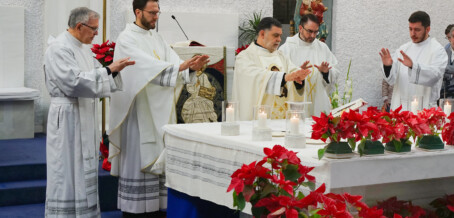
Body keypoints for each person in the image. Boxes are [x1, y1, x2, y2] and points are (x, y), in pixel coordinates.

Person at [107, 0, 209, 216]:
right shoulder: (126, 38)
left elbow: (174, 64)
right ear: (137, 12)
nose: (156, 17)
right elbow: (143, 66)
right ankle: (134, 212)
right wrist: (178, 67)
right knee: (138, 160)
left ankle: (157, 211)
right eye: (152, 13)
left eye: (158, 12)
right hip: (139, 111)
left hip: (160, 111)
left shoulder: (157, 38)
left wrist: (189, 68)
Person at [43, 7, 134, 217]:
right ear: (79, 26)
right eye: (93, 29)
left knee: (83, 170)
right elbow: (73, 83)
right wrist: (110, 69)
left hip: (83, 112)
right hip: (67, 117)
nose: (96, 33)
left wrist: (113, 71)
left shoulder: (83, 48)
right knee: (66, 170)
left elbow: (96, 76)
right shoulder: (58, 48)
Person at [232, 17, 311, 120]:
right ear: (262, 34)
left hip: (283, 121)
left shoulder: (281, 56)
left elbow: (293, 72)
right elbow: (255, 76)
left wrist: (298, 77)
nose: (279, 39)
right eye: (275, 35)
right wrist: (284, 78)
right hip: (258, 121)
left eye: (280, 36)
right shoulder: (245, 57)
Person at [379, 11, 448, 110]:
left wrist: (413, 66)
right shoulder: (404, 49)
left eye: (417, 30)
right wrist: (388, 66)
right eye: (410, 29)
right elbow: (392, 79)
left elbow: (435, 75)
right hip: (401, 106)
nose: (412, 33)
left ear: (427, 29)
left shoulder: (437, 50)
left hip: (423, 107)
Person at [279, 14, 340, 117]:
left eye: (316, 32)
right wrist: (297, 72)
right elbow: (280, 76)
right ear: (300, 28)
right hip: (296, 102)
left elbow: (335, 71)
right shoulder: (287, 48)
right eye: (310, 31)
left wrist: (326, 72)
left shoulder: (322, 48)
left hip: (318, 101)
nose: (313, 35)